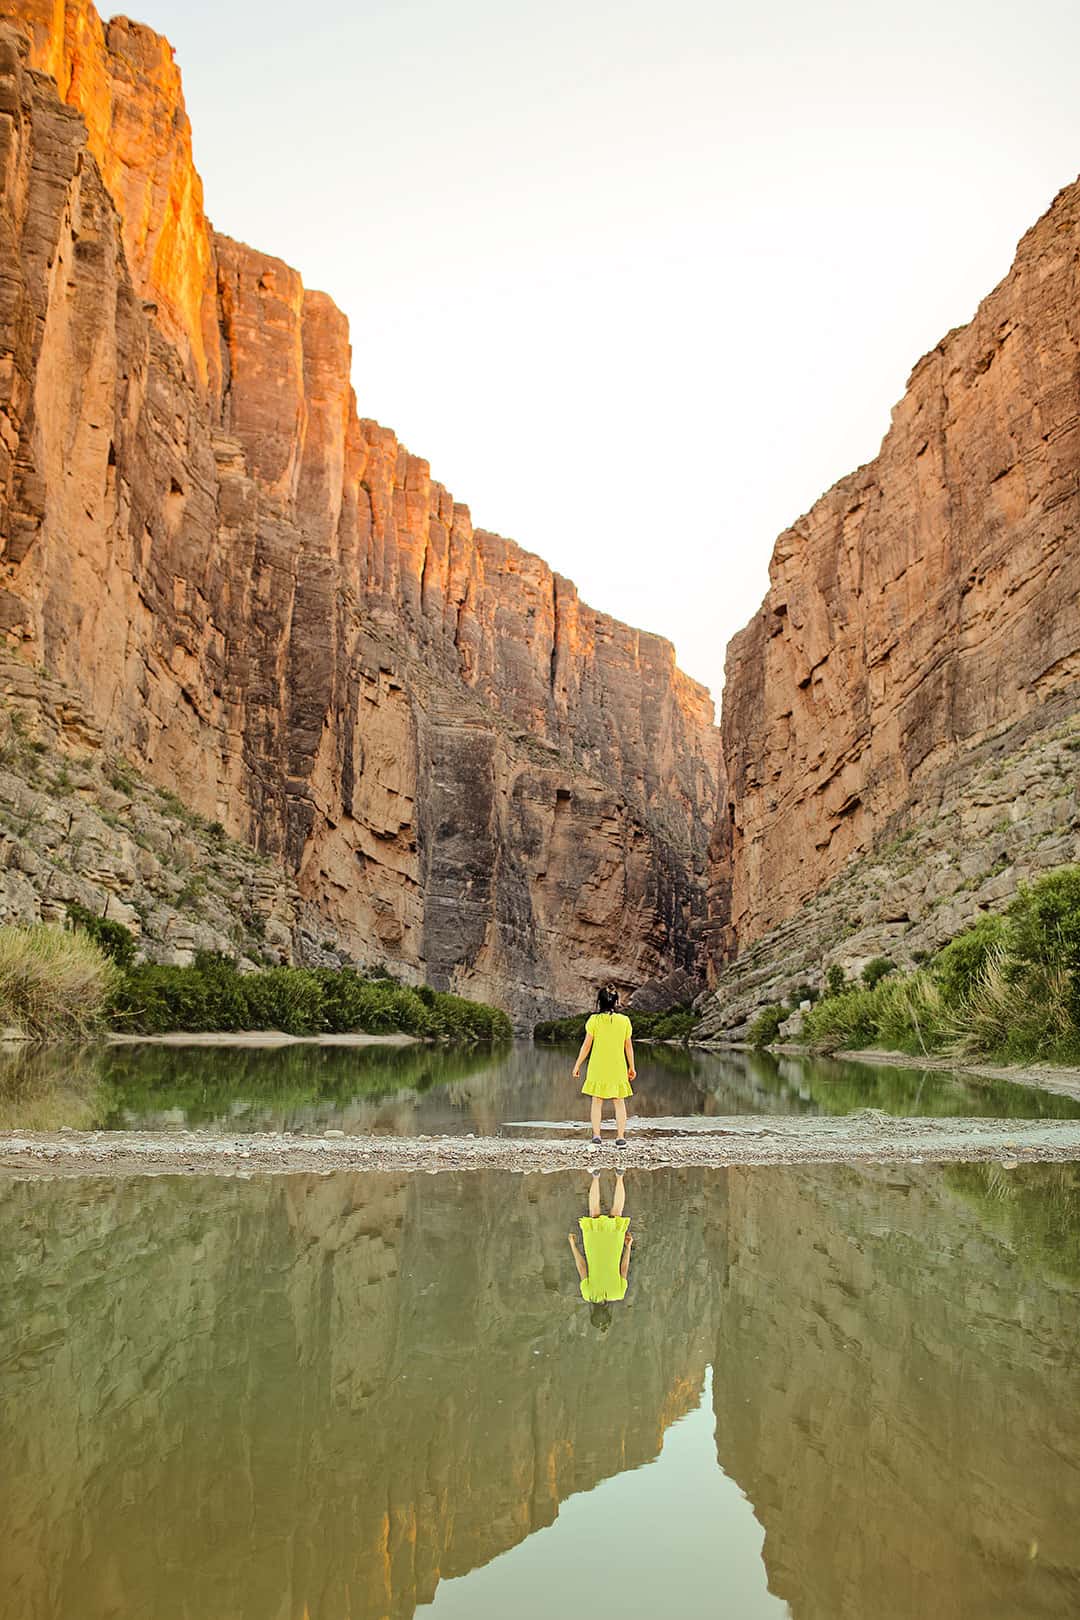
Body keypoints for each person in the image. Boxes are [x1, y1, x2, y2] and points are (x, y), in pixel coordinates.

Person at [572, 986, 636, 1147]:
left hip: (598, 1066)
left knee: (597, 1101)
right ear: (616, 1002)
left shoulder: (593, 1020)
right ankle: (620, 1137)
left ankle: (596, 1136)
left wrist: (577, 1064)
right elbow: (628, 1047)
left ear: (599, 1002)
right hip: (618, 1066)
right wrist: (632, 1067)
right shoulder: (624, 1021)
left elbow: (586, 1046)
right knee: (619, 1102)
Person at [568, 1169, 633, 1320]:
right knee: (594, 1213)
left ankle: (620, 1175)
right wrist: (572, 1245)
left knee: (617, 1212)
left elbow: (623, 1268)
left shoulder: (619, 1293)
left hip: (613, 1250)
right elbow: (582, 1267)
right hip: (594, 1249)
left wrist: (628, 1247)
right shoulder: (588, 1294)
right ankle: (596, 1176)